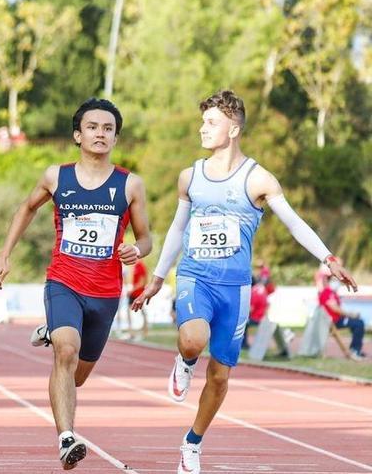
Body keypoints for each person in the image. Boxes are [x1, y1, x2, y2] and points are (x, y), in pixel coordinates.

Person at [130, 90, 358, 474]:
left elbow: (294, 222)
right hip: (195, 276)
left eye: (212, 122)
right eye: (203, 122)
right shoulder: (191, 177)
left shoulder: (259, 179)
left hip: (234, 289)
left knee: (219, 377)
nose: (203, 129)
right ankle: (185, 362)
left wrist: (328, 257)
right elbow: (176, 229)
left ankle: (192, 443)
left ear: (233, 129)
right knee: (192, 338)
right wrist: (156, 277)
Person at [0, 98, 152, 470]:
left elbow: (146, 238)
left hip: (106, 293)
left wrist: (136, 251)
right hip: (64, 281)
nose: (100, 134)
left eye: (108, 128)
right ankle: (66, 438)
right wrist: (4, 255)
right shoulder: (55, 176)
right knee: (66, 350)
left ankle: (54, 330)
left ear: (115, 137)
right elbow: (27, 208)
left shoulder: (130, 185)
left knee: (76, 376)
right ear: (78, 135)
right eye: (93, 127)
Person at [319, 270, 366, 360]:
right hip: (333, 321)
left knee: (357, 323)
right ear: (328, 282)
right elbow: (335, 308)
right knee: (359, 324)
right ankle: (355, 350)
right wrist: (350, 315)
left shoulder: (331, 293)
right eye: (333, 280)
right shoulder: (327, 292)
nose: (337, 282)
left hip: (336, 319)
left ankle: (355, 348)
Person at [127, 258, 148, 340]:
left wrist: (132, 290)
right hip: (134, 293)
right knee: (129, 311)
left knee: (141, 311)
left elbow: (142, 282)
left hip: (138, 293)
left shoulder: (141, 266)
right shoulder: (135, 266)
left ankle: (145, 330)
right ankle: (131, 331)